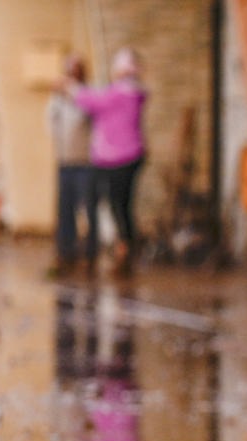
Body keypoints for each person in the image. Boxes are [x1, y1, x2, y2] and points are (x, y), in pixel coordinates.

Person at [70, 47, 147, 277]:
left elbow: (91, 100)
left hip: (119, 158)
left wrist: (71, 87)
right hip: (117, 157)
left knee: (117, 205)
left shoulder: (123, 95)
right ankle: (119, 247)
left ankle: (124, 249)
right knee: (118, 205)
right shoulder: (128, 93)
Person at [48, 53, 97, 276]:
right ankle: (65, 251)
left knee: (87, 210)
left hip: (86, 163)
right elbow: (50, 124)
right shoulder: (58, 101)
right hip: (66, 162)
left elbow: (90, 115)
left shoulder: (88, 96)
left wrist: (74, 91)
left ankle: (88, 253)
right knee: (64, 209)